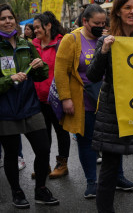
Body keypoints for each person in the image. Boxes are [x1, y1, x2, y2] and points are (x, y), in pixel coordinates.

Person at [86, 0, 133, 213]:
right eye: (127, 7)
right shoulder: (104, 41)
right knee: (109, 167)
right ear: (117, 11)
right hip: (113, 111)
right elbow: (93, 75)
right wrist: (104, 51)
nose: (132, 12)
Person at [54, 4, 133, 198]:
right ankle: (92, 182)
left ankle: (118, 177)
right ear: (85, 21)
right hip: (83, 101)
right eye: (95, 23)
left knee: (112, 141)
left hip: (107, 99)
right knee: (87, 142)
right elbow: (60, 71)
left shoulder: (106, 38)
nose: (100, 26)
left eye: (103, 23)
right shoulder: (71, 39)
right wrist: (66, 99)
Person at [0, 3, 59, 208]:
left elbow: (41, 75)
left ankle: (40, 189)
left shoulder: (26, 44)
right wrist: (10, 79)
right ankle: (17, 191)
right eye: (3, 18)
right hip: (6, 109)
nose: (7, 21)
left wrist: (40, 66)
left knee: (43, 149)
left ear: (15, 20)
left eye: (10, 17)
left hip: (30, 106)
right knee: (11, 153)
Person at [32, 11, 70, 179]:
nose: (35, 31)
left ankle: (62, 164)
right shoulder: (32, 45)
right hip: (38, 99)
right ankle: (44, 164)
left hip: (56, 98)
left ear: (48, 26)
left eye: (38, 27)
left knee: (61, 132)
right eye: (34, 28)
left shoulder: (61, 43)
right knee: (43, 134)